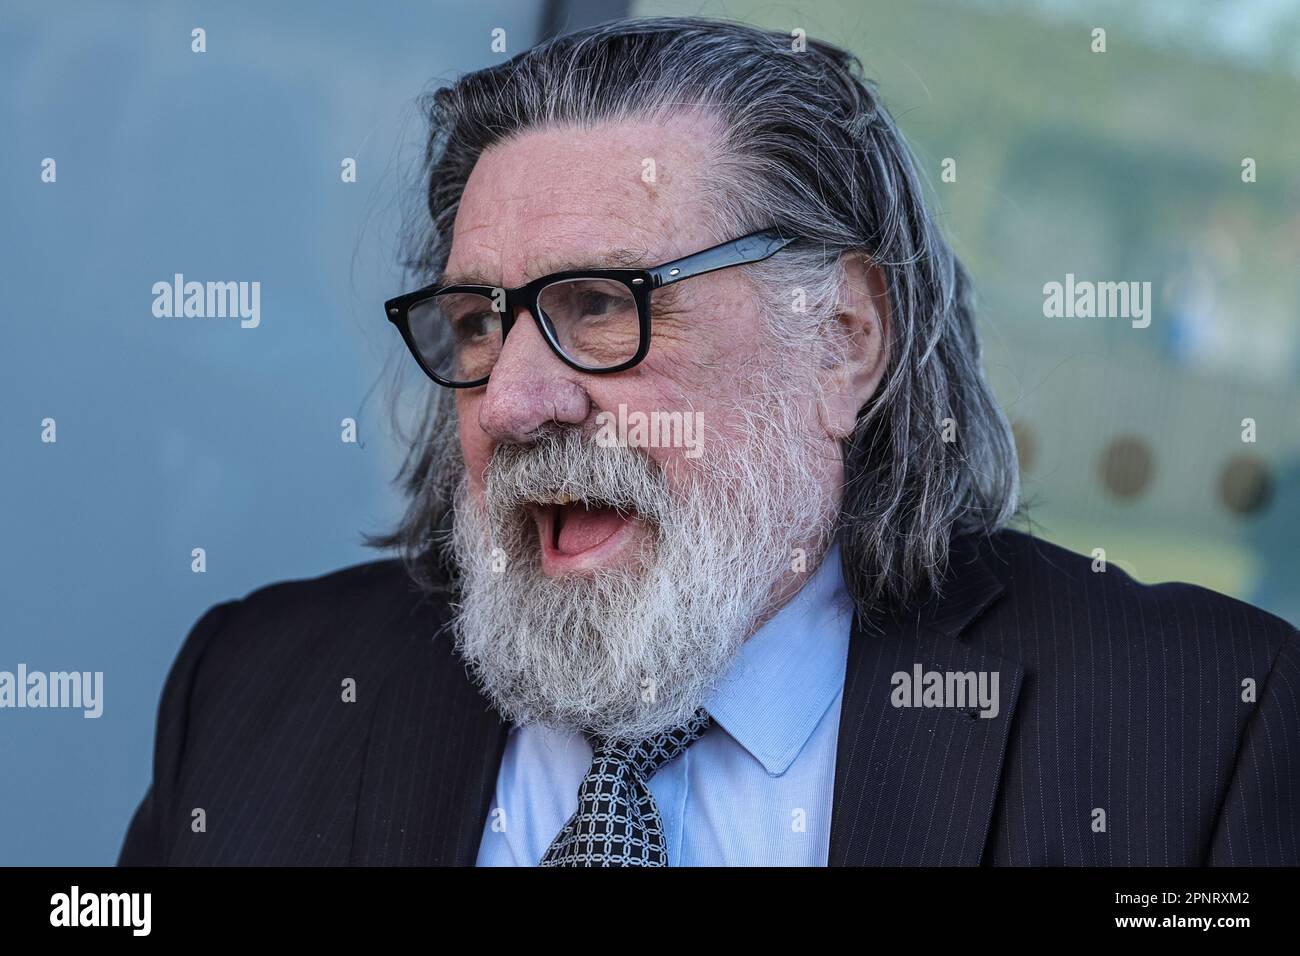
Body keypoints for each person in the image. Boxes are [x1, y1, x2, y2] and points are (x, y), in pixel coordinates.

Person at [119, 16, 1299, 867]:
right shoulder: (254, 694)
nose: (517, 401)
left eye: (598, 305)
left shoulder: (1199, 733)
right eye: (481, 321)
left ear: (842, 339)